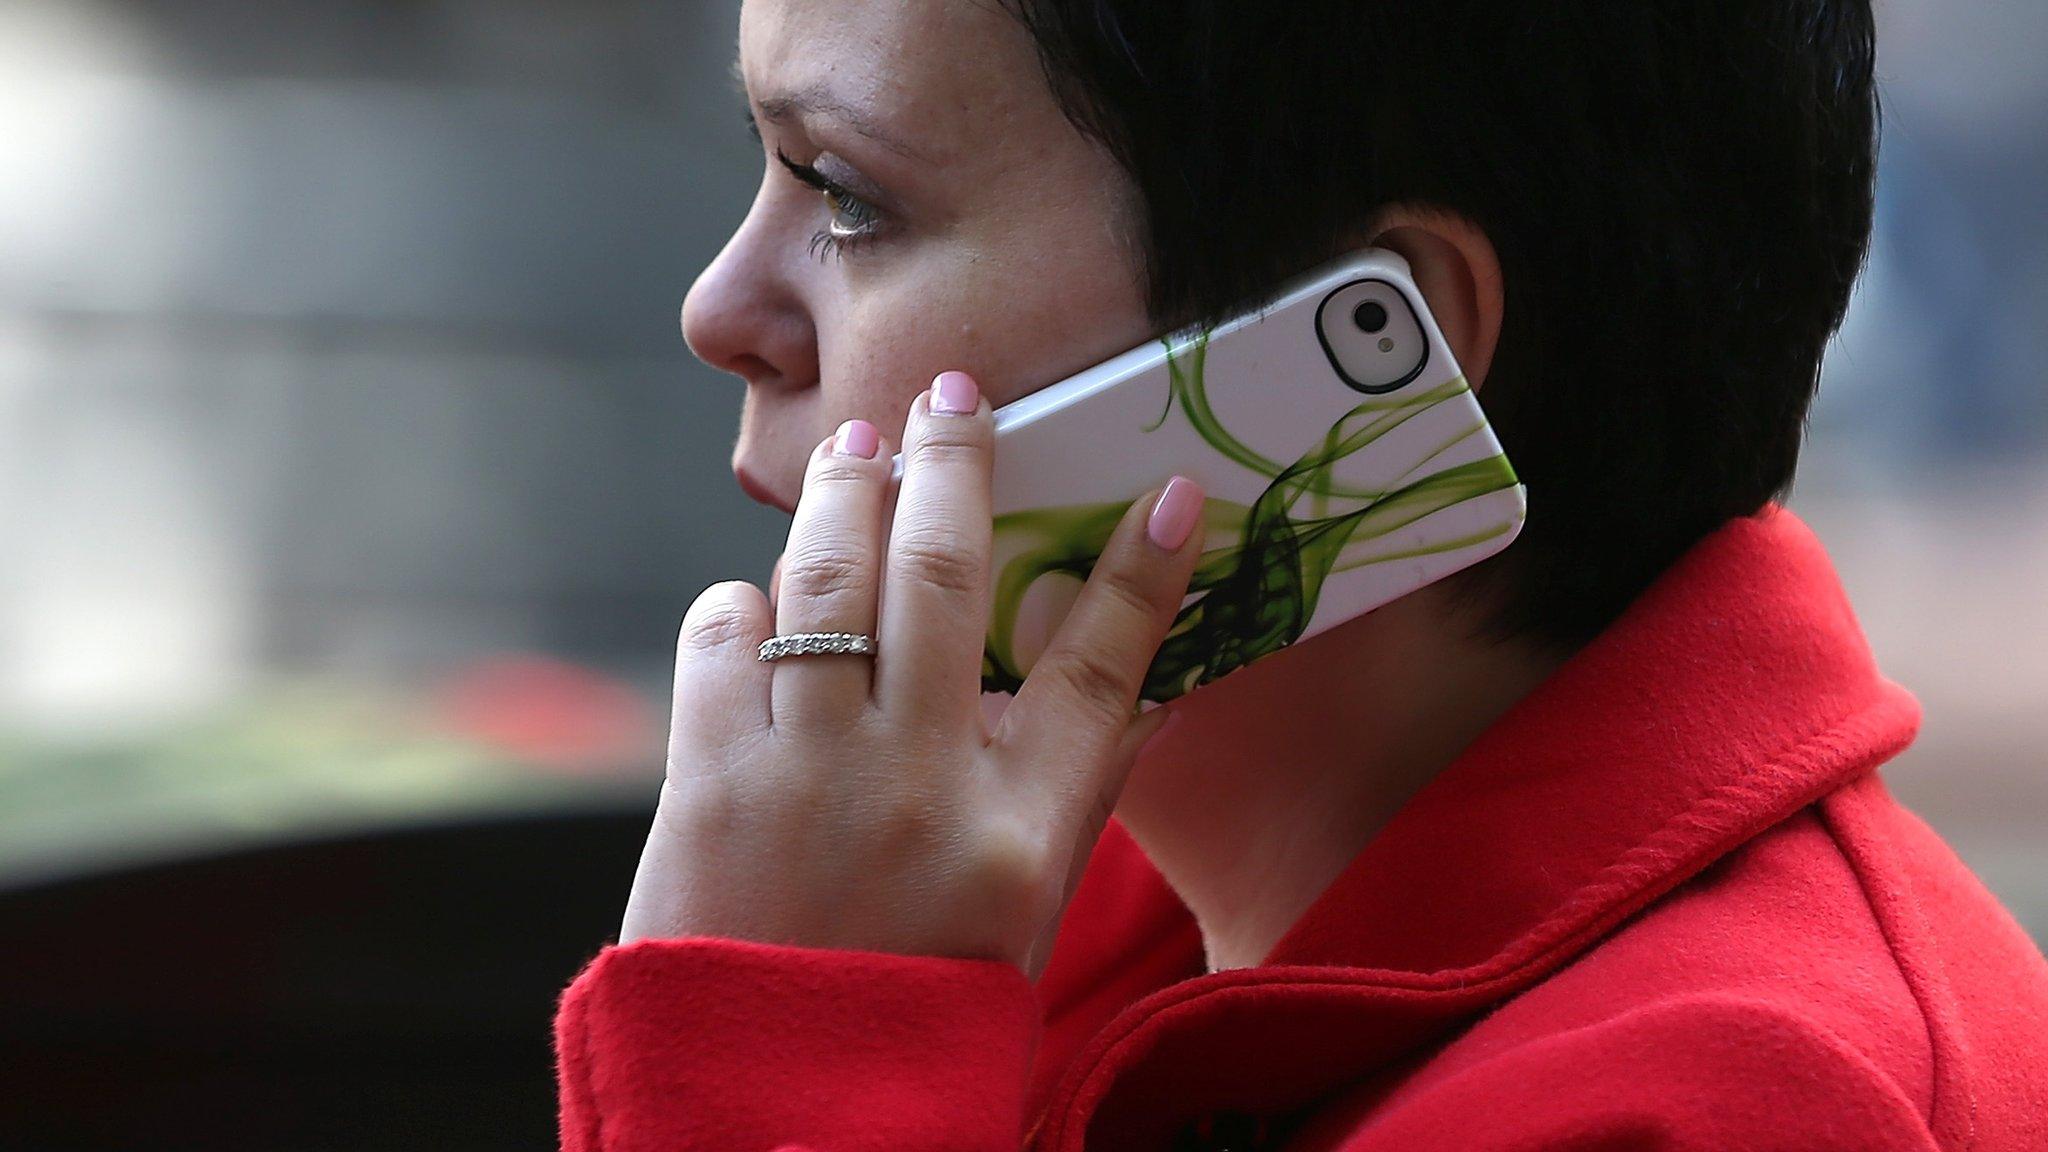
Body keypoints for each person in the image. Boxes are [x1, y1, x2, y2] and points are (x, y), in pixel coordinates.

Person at [553, 1, 2048, 1148]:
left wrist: (792, 1056)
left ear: (1365, 364)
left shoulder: (1732, 1105)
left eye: (848, 198)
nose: (719, 308)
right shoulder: (1040, 878)